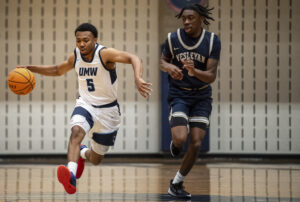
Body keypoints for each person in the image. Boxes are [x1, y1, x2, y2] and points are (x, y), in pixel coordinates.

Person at [17, 23, 152, 194]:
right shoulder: (76, 56)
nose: (81, 44)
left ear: (95, 40)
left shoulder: (104, 54)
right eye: (78, 40)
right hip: (86, 104)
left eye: (86, 40)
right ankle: (71, 176)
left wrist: (138, 78)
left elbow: (134, 58)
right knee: (76, 132)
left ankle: (82, 153)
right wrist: (30, 68)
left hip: (108, 112)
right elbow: (58, 70)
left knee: (95, 159)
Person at [160, 4, 221, 199]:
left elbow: (211, 76)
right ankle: (175, 145)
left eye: (191, 18)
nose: (186, 21)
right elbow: (162, 61)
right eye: (184, 18)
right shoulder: (172, 39)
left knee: (196, 143)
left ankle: (176, 183)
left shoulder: (212, 42)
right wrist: (170, 67)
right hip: (180, 94)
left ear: (201, 19)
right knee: (180, 140)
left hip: (201, 96)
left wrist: (195, 72)